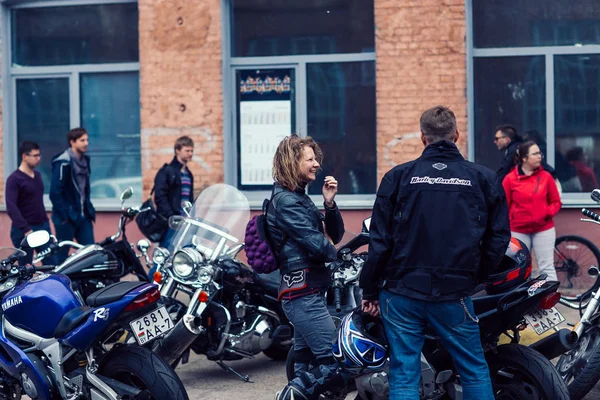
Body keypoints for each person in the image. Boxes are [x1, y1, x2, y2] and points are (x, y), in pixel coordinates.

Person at [360, 106, 510, 399]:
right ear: (456, 134)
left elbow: (379, 242)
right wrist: (474, 276)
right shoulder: (483, 178)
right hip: (455, 292)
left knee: (404, 372)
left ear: (422, 137)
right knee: (473, 369)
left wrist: (369, 289)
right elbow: (499, 237)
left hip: (401, 291)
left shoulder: (397, 177)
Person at [270, 135, 346, 400]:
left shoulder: (299, 198)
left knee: (304, 363)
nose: (316, 164)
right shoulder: (287, 202)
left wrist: (329, 203)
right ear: (293, 162)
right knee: (336, 360)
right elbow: (318, 244)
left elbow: (334, 236)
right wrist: (336, 253)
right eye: (310, 159)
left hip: (306, 292)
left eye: (316, 159)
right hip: (301, 294)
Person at [503, 140, 562, 281]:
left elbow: (556, 201)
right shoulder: (510, 179)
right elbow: (504, 205)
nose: (540, 156)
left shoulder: (546, 177)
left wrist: (546, 214)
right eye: (535, 153)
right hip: (518, 230)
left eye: (539, 153)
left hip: (543, 229)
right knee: (519, 269)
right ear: (524, 158)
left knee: (546, 267)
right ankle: (523, 302)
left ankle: (550, 302)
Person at [50, 128, 95, 264]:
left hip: (83, 216)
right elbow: (55, 193)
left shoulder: (85, 161)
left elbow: (84, 190)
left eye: (87, 140)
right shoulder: (63, 162)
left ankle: (89, 284)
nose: (86, 143)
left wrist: (88, 211)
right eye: (82, 140)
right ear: (72, 142)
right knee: (61, 257)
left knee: (90, 253)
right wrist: (65, 216)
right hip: (67, 218)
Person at [6, 141, 55, 265]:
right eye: (35, 156)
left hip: (42, 227)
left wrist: (46, 223)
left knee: (51, 264)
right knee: (25, 268)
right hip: (24, 231)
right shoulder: (14, 179)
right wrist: (26, 229)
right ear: (24, 156)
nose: (38, 159)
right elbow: (11, 207)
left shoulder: (38, 175)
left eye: (39, 155)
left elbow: (38, 201)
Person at [153, 135, 195, 249]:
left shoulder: (188, 174)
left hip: (186, 222)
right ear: (177, 151)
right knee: (165, 255)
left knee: (187, 255)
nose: (190, 153)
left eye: (191, 150)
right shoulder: (167, 171)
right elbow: (160, 197)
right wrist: (172, 217)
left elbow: (188, 199)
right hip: (172, 223)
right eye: (187, 150)